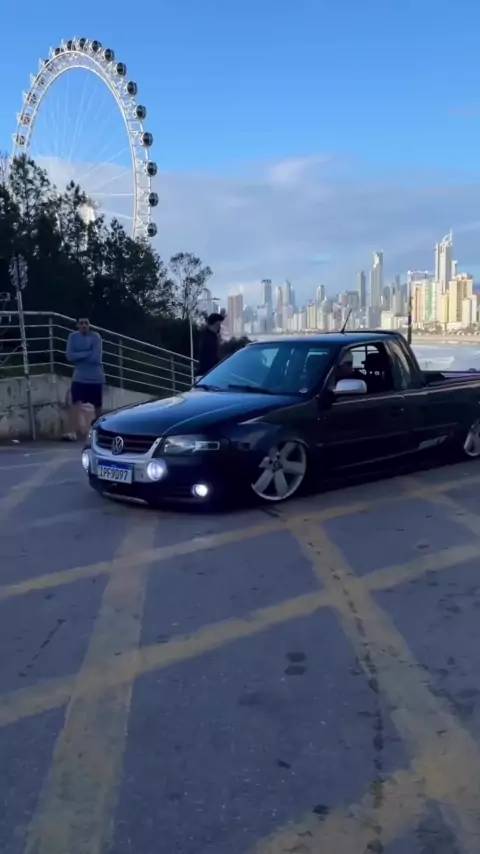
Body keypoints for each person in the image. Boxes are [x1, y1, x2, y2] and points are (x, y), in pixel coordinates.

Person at [62, 317, 105, 441]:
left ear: (89, 325)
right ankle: (72, 432)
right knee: (75, 403)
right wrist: (88, 352)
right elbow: (69, 356)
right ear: (77, 325)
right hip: (79, 376)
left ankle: (99, 432)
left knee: (97, 406)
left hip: (95, 377)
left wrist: (79, 356)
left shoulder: (96, 337)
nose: (84, 325)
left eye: (86, 323)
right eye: (81, 323)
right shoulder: (73, 337)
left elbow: (96, 358)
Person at [197, 312, 225, 377]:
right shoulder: (209, 339)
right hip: (207, 375)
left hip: (206, 374)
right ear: (216, 323)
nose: (220, 327)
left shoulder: (208, 336)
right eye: (220, 324)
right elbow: (212, 358)